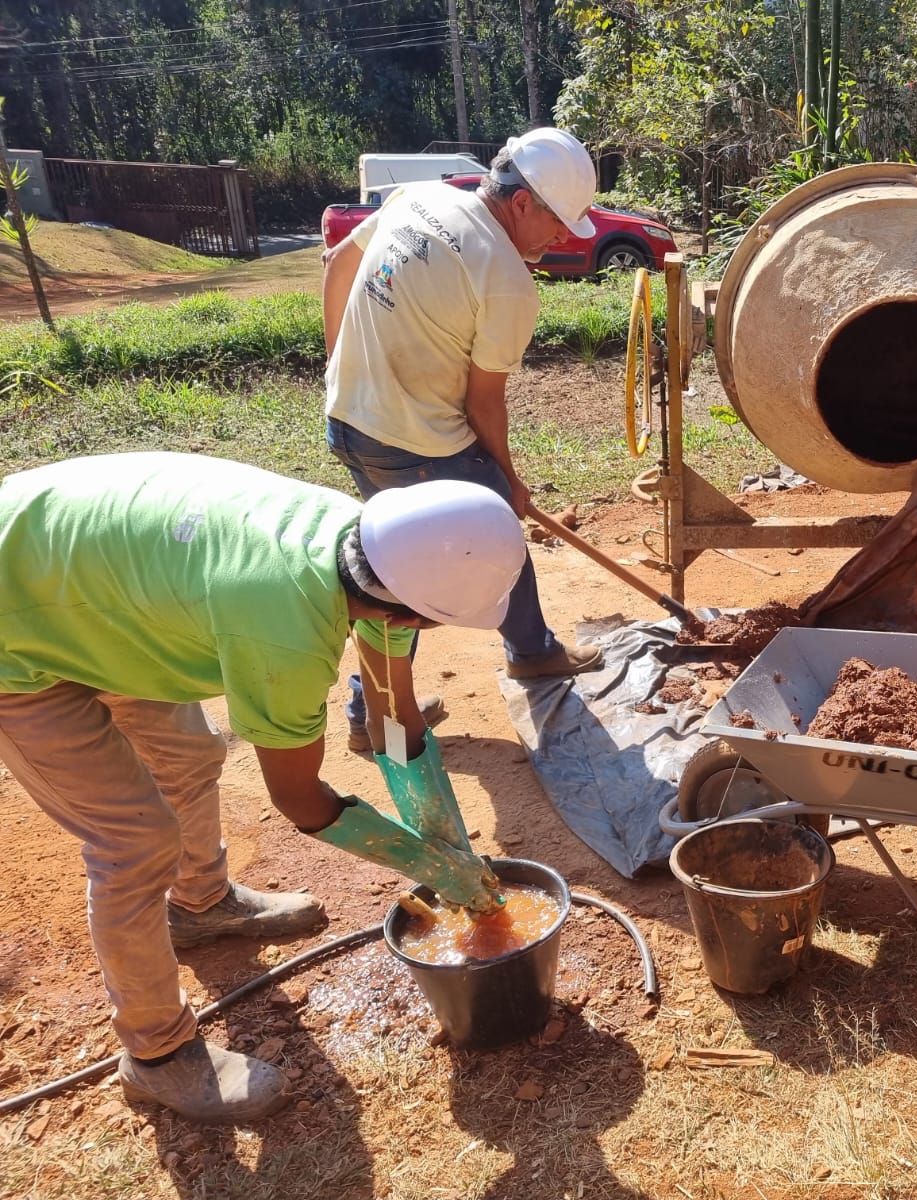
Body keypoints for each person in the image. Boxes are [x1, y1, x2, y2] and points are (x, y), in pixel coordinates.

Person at [0, 452, 524, 1123]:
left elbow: (392, 717)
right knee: (136, 843)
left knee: (190, 754)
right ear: (409, 616)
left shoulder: (375, 546)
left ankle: (199, 904)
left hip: (94, 594)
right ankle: (157, 1056)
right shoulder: (284, 630)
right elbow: (300, 800)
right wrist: (427, 866)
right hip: (19, 626)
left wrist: (449, 842)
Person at [321, 126, 603, 753]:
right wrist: (508, 479)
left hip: (348, 418)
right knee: (403, 568)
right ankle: (377, 717)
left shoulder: (423, 195)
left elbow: (338, 263)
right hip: (411, 442)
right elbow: (483, 402)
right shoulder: (506, 279)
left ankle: (533, 650)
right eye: (558, 223)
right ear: (522, 202)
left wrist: (340, 363)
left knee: (432, 538)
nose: (562, 239)